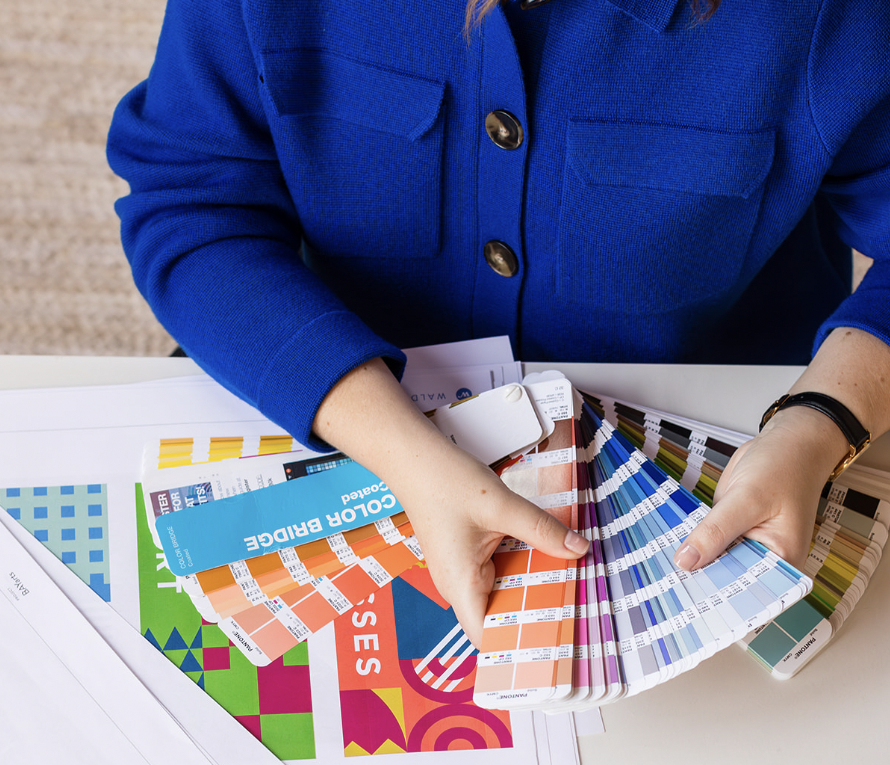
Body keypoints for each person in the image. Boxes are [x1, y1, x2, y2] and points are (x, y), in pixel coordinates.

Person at [107, 0, 890, 647]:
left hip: (722, 451)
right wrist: (399, 448)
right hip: (317, 396)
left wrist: (822, 423)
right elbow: (194, 203)